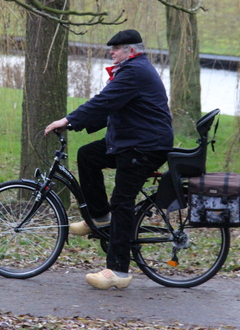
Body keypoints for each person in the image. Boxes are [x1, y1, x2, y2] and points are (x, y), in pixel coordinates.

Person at [45, 29, 173, 290]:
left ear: (131, 51)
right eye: (111, 49)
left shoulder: (134, 71)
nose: (111, 52)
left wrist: (68, 120)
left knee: (123, 202)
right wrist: (74, 125)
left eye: (116, 48)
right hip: (131, 140)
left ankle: (118, 271)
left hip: (144, 146)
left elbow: (104, 102)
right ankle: (101, 216)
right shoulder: (133, 69)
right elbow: (111, 108)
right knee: (88, 155)